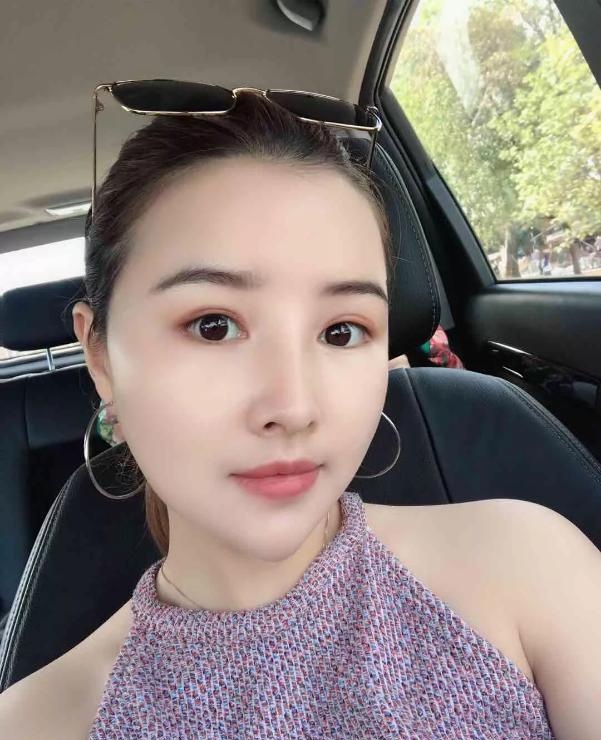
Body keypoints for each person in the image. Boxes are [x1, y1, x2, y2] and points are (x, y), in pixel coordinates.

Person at [1, 87, 600, 740]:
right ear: (101, 356)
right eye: (212, 325)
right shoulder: (37, 723)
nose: (293, 408)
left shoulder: (527, 563)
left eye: (342, 331)